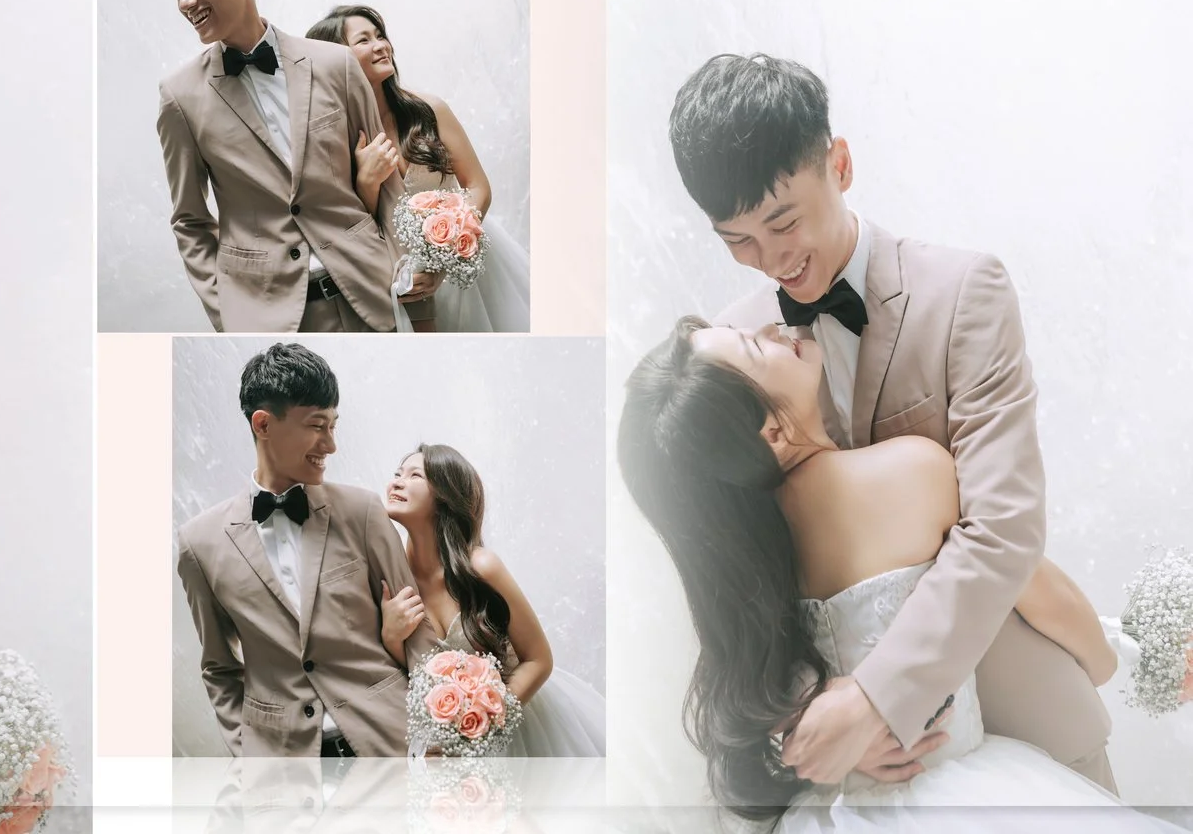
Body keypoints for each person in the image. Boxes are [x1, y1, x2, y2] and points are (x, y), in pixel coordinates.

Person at [621, 316, 1192, 828]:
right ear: (769, 432)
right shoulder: (908, 471)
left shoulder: (748, 556)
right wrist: (1109, 655)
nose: (772, 328)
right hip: (973, 796)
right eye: (754, 344)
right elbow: (1036, 591)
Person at [174, 343, 429, 757]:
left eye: (334, 425)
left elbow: (418, 632)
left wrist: (432, 734)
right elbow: (219, 668)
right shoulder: (198, 544)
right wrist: (249, 754)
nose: (330, 445)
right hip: (283, 767)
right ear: (263, 425)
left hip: (390, 743)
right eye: (317, 425)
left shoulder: (363, 511)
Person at [155, 0, 402, 333]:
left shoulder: (336, 64)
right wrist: (227, 311)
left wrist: (404, 267)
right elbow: (190, 221)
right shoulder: (180, 96)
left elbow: (389, 181)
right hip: (270, 317)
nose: (184, 2)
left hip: (373, 294)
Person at [303, 5, 530, 332]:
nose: (381, 45)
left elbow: (479, 186)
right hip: (398, 281)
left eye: (380, 35)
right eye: (364, 40)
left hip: (463, 268)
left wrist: (446, 259)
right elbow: (351, 230)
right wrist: (367, 182)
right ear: (337, 61)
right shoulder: (335, 140)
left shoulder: (430, 110)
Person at [379, 444, 603, 755]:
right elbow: (408, 678)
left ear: (445, 495)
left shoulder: (482, 567)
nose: (397, 482)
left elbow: (539, 659)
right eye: (396, 474)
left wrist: (483, 724)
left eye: (414, 475)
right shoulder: (392, 580)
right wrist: (391, 638)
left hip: (516, 724)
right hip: (439, 742)